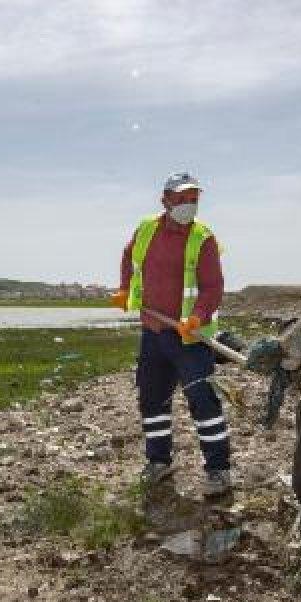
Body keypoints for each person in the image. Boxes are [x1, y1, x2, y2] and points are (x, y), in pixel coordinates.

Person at [110, 173, 232, 497]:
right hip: (153, 331)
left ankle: (219, 470)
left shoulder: (202, 238)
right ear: (165, 200)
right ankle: (158, 462)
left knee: (202, 401)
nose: (189, 205)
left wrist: (197, 317)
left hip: (190, 339)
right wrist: (124, 288)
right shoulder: (147, 228)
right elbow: (128, 256)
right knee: (152, 399)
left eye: (194, 199)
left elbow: (213, 287)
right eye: (182, 199)